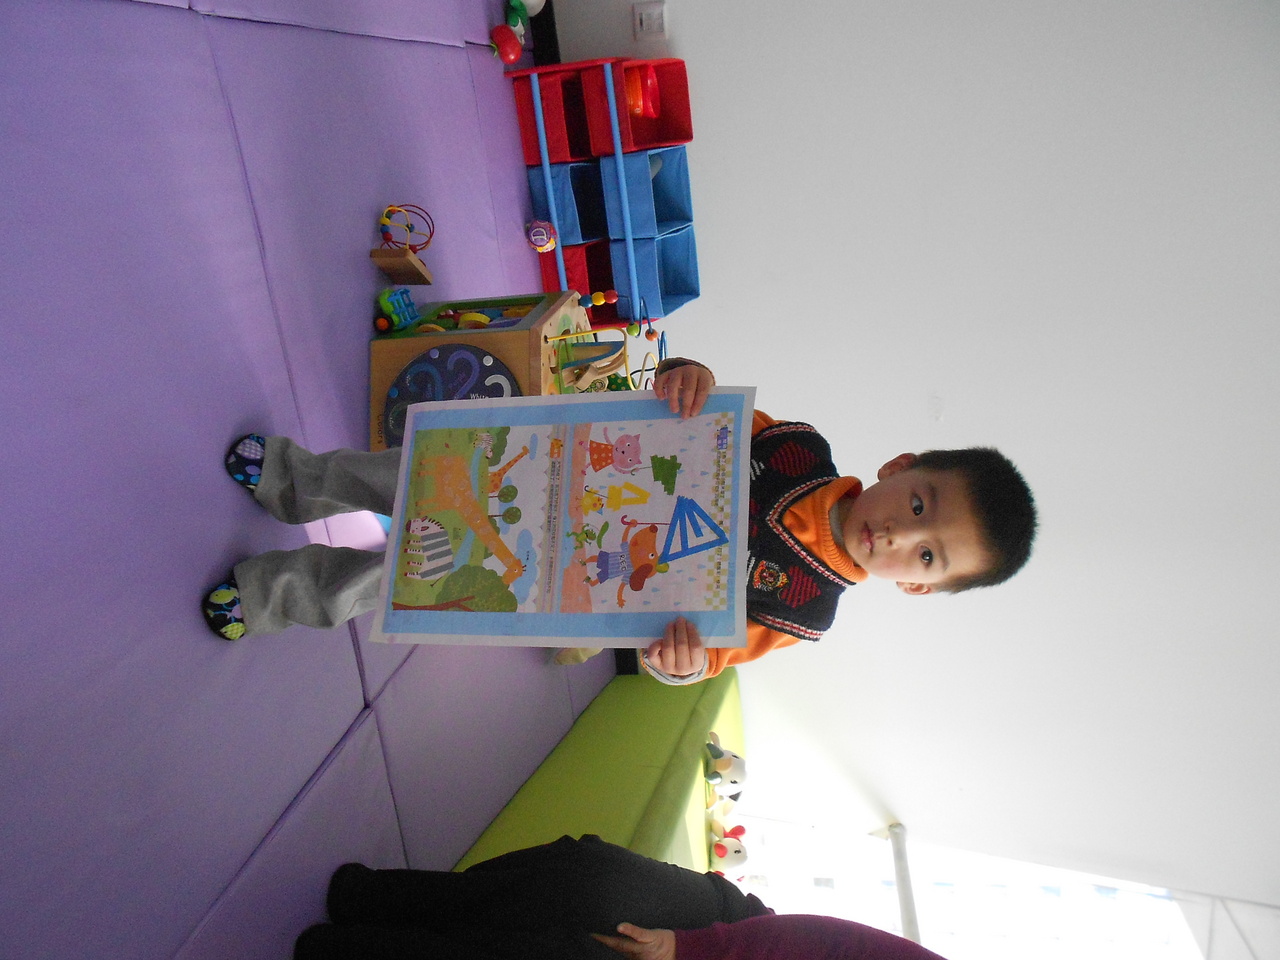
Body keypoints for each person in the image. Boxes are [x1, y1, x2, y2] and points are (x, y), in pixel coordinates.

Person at [202, 359, 1037, 676]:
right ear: (900, 467)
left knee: (397, 583)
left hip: (558, 573)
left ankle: (271, 595)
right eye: (920, 505)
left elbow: (710, 656)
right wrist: (685, 375)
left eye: (927, 556)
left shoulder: (805, 610)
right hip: (548, 466)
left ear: (919, 589)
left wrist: (680, 663)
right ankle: (290, 478)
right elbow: (693, 413)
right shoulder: (798, 450)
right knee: (404, 475)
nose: (901, 535)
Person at [293, 833, 951, 960]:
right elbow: (822, 943)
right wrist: (687, 948)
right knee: (586, 884)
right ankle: (375, 898)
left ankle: (352, 948)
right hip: (731, 935)